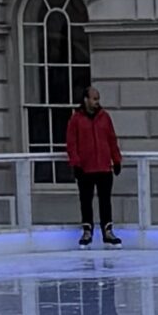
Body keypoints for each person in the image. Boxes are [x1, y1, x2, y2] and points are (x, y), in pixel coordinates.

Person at [64, 82, 124, 249]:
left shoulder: (104, 117)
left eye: (98, 99)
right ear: (86, 100)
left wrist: (117, 160)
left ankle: (107, 231)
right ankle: (87, 231)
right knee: (86, 200)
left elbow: (112, 139)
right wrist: (75, 163)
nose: (97, 102)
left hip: (104, 167)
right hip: (85, 168)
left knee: (105, 201)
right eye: (94, 98)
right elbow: (71, 143)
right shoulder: (76, 119)